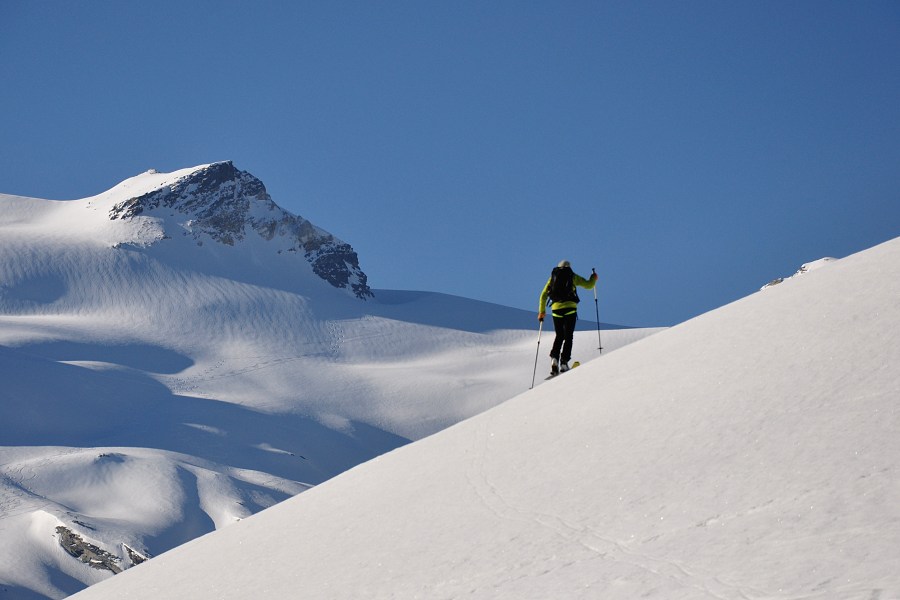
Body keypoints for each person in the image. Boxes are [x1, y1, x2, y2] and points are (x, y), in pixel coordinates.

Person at [538, 260, 598, 375]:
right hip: (570, 309)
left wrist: (541, 312)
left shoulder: (552, 278)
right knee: (568, 336)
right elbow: (589, 285)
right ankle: (564, 362)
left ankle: (554, 359)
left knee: (559, 335)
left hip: (556, 309)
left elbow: (543, 295)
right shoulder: (573, 276)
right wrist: (593, 278)